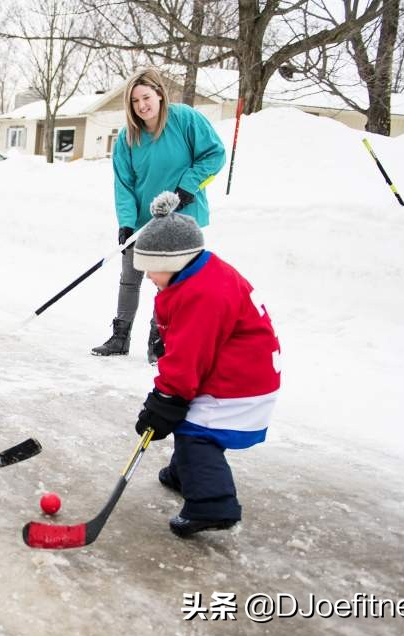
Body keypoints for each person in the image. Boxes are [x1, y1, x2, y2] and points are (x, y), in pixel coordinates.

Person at [131, 192, 280, 537]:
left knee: (195, 431)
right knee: (192, 421)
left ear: (175, 260)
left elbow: (188, 359)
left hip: (239, 382)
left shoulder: (202, 294)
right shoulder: (199, 275)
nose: (149, 276)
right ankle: (186, 474)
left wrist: (164, 400)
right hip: (236, 372)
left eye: (152, 269)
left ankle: (213, 504)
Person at [93, 67, 226, 364]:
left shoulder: (185, 119)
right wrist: (126, 223)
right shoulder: (128, 137)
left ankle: (159, 339)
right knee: (130, 277)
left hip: (182, 216)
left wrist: (190, 185)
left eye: (146, 97)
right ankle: (120, 337)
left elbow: (215, 154)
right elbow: (124, 183)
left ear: (160, 95)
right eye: (135, 101)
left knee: (168, 281)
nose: (142, 105)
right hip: (143, 220)